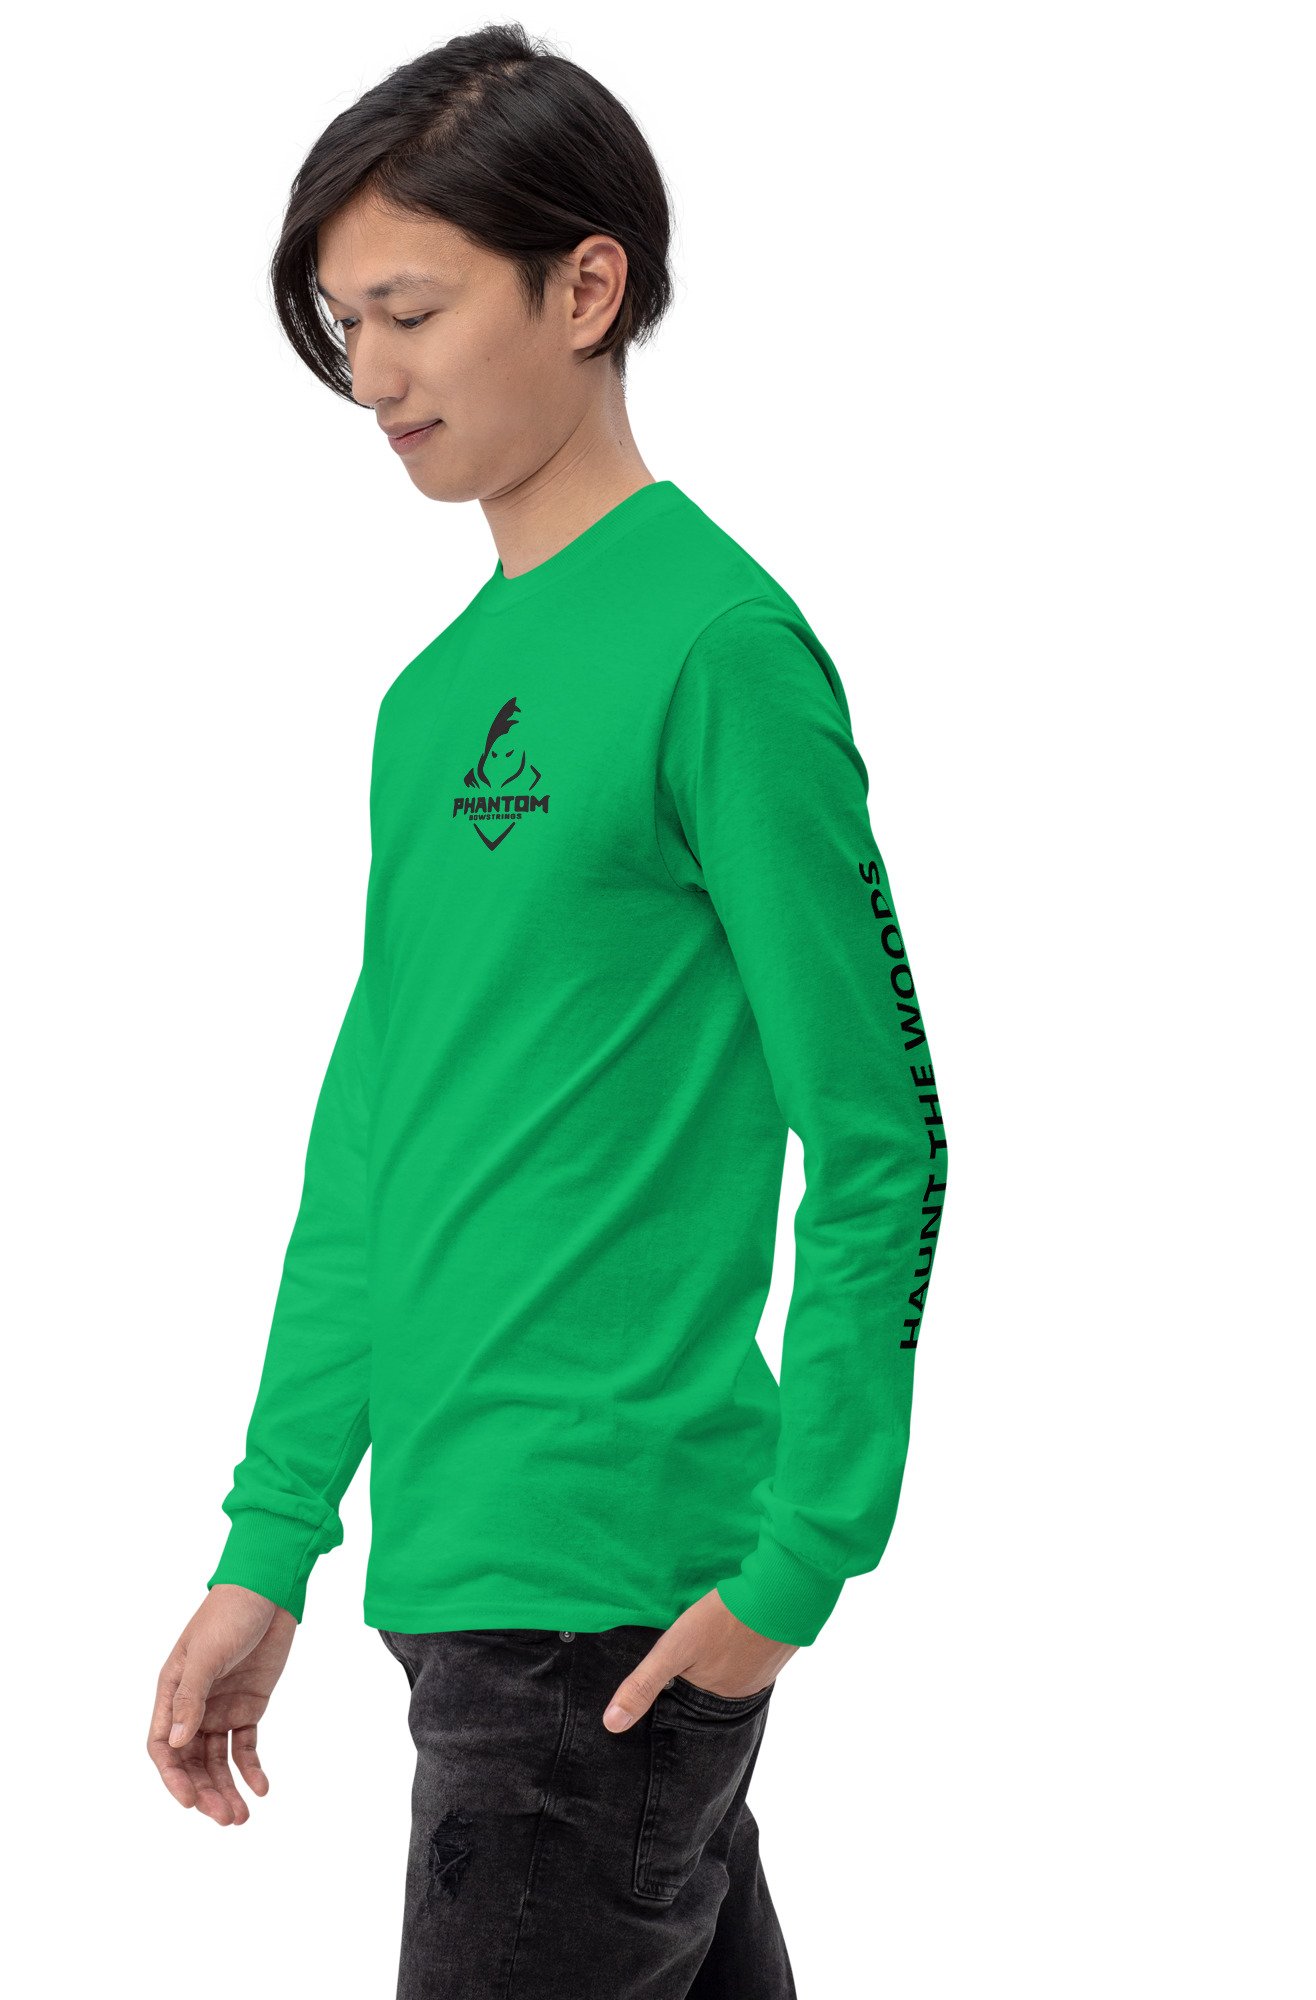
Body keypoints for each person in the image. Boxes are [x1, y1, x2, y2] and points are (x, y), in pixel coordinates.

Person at [147, 23, 950, 1996]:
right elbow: (378, 1140)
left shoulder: (720, 650)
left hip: (604, 1621)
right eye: (345, 323)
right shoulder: (429, 705)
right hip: (471, 1595)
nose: (371, 375)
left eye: (413, 312)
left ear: (586, 288)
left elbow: (882, 1135)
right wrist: (271, 1538)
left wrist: (798, 1564)